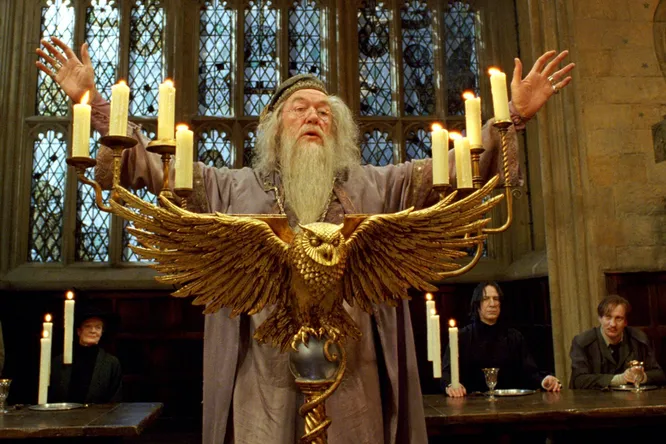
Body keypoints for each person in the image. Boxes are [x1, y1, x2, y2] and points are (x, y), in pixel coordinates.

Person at [36, 37, 574, 443]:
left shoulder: (378, 186)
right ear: (275, 127)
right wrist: (97, 104)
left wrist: (510, 119)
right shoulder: (229, 188)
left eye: (324, 112)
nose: (314, 116)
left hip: (356, 375)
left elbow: (457, 170)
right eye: (301, 109)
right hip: (261, 377)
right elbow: (152, 169)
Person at [442, 282, 561, 397]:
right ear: (477, 305)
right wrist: (451, 385)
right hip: (470, 404)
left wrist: (544, 380)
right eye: (486, 299)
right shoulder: (462, 337)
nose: (492, 304)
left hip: (509, 404)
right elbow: (446, 373)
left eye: (496, 299)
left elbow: (530, 372)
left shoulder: (514, 337)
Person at [569, 294, 666, 389]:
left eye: (618, 318)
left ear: (625, 322)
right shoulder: (582, 342)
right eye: (608, 317)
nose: (613, 324)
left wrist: (641, 377)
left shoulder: (639, 339)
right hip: (594, 398)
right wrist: (619, 379)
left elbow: (659, 375)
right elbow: (579, 380)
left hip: (631, 398)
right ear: (600, 318)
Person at [49, 305, 122, 404]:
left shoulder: (111, 363)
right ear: (79, 331)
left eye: (98, 327)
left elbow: (115, 399)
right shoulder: (58, 361)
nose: (93, 331)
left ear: (102, 332)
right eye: (88, 326)